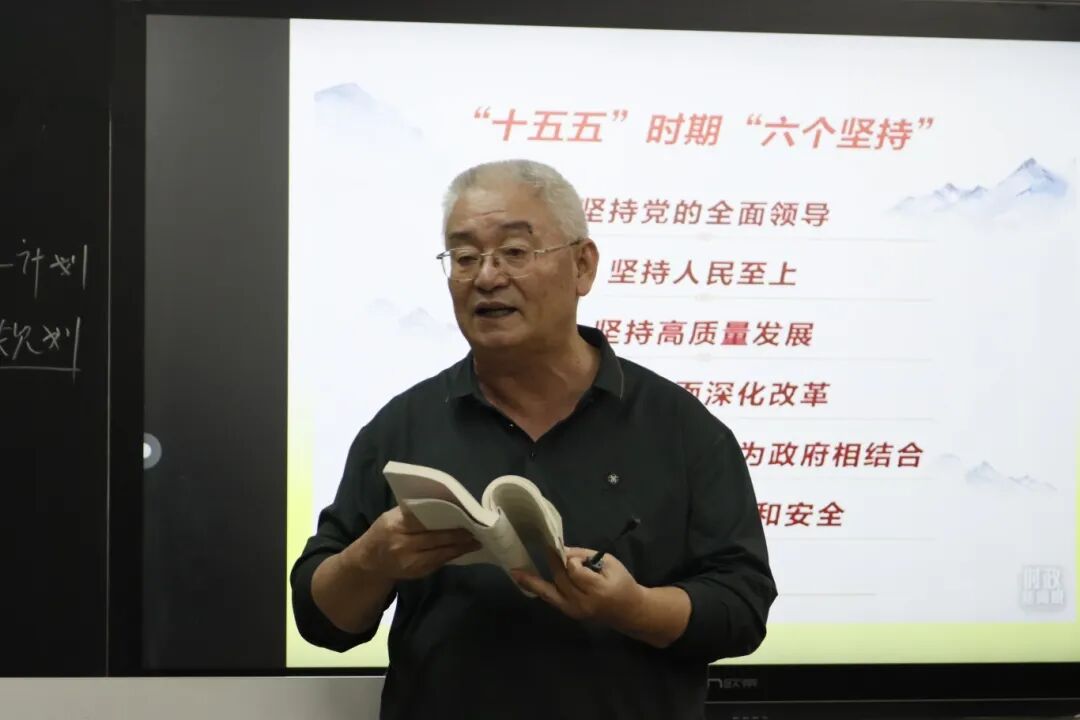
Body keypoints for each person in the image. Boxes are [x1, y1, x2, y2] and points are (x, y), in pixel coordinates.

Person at [290, 159, 777, 720]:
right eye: (464, 257)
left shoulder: (682, 429)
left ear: (582, 266)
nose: (486, 277)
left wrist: (634, 607)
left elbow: (742, 609)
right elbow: (321, 621)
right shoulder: (401, 427)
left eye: (515, 251)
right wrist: (370, 561)